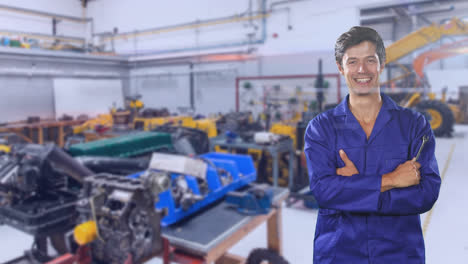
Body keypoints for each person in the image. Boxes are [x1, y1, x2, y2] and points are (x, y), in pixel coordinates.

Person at [304, 26, 441, 263]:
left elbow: (426, 193)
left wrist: (354, 189)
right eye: (352, 61)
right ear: (340, 67)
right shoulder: (321, 128)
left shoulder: (414, 125)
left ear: (382, 64)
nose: (361, 70)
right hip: (339, 252)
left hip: (399, 252)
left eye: (370, 60)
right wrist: (391, 181)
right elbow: (323, 192)